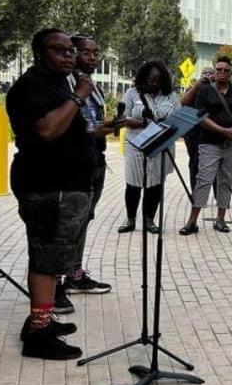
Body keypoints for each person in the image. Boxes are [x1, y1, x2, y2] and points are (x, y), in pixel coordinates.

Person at [6, 29, 98, 359]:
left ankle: (40, 321)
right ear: (39, 53)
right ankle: (39, 335)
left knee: (52, 256)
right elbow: (47, 129)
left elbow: (69, 129)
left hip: (65, 185)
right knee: (45, 260)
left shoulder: (59, 83)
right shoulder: (32, 87)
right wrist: (79, 97)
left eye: (70, 51)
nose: (68, 56)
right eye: (59, 51)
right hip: (47, 186)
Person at [62, 33, 118, 297]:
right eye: (87, 52)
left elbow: (93, 120)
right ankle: (55, 282)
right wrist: (98, 129)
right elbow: (73, 125)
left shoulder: (91, 83)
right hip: (73, 161)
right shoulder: (65, 83)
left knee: (84, 218)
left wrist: (114, 125)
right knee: (69, 221)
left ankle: (74, 273)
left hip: (95, 158)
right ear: (72, 53)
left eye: (96, 53)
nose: (93, 58)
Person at [180, 56, 232, 235]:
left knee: (226, 181)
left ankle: (220, 219)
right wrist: (222, 130)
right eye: (219, 70)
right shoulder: (205, 91)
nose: (222, 73)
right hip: (209, 142)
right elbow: (201, 117)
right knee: (204, 180)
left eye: (226, 70)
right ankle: (192, 221)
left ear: (231, 73)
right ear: (214, 71)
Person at [118, 62, 180, 234]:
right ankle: (130, 219)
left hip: (161, 145)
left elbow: (177, 117)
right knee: (134, 183)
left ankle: (149, 220)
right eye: (151, 79)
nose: (154, 83)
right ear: (143, 78)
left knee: (156, 184)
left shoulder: (171, 97)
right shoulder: (132, 93)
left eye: (158, 80)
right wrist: (144, 122)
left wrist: (168, 126)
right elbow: (122, 118)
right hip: (136, 144)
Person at [180, 66, 214, 190]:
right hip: (193, 133)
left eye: (211, 73)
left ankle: (217, 194)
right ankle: (195, 191)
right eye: (205, 73)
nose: (208, 75)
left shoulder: (216, 89)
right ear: (200, 75)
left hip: (211, 132)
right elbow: (182, 103)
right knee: (194, 162)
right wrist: (196, 87)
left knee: (214, 163)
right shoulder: (193, 88)